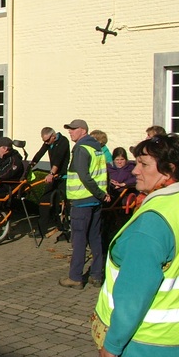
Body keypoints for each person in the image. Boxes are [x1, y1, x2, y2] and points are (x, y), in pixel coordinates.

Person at [93, 134, 179, 357]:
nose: (135, 170)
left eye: (144, 164)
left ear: (168, 171)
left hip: (148, 346)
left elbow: (134, 295)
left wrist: (113, 344)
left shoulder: (152, 223)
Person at [59, 119, 110, 289]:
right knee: (95, 237)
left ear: (82, 130)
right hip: (94, 201)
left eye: (73, 129)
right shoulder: (96, 147)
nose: (70, 132)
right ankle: (96, 275)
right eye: (69, 129)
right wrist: (101, 195)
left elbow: (84, 176)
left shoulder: (81, 148)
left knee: (79, 240)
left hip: (83, 200)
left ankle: (75, 277)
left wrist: (99, 194)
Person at [30, 127, 70, 237]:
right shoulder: (48, 142)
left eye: (47, 140)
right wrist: (31, 165)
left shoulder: (63, 142)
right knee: (44, 201)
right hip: (53, 176)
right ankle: (41, 229)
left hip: (62, 176)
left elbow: (58, 159)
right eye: (44, 141)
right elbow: (40, 153)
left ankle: (66, 228)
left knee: (65, 203)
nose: (46, 143)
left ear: (53, 136)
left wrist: (51, 174)